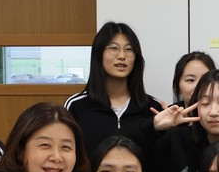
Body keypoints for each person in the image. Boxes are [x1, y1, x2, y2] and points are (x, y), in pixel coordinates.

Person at [65, 21, 162, 158]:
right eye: (113, 48)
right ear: (99, 54)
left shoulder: (152, 107)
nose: (122, 56)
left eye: (129, 49)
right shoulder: (77, 105)